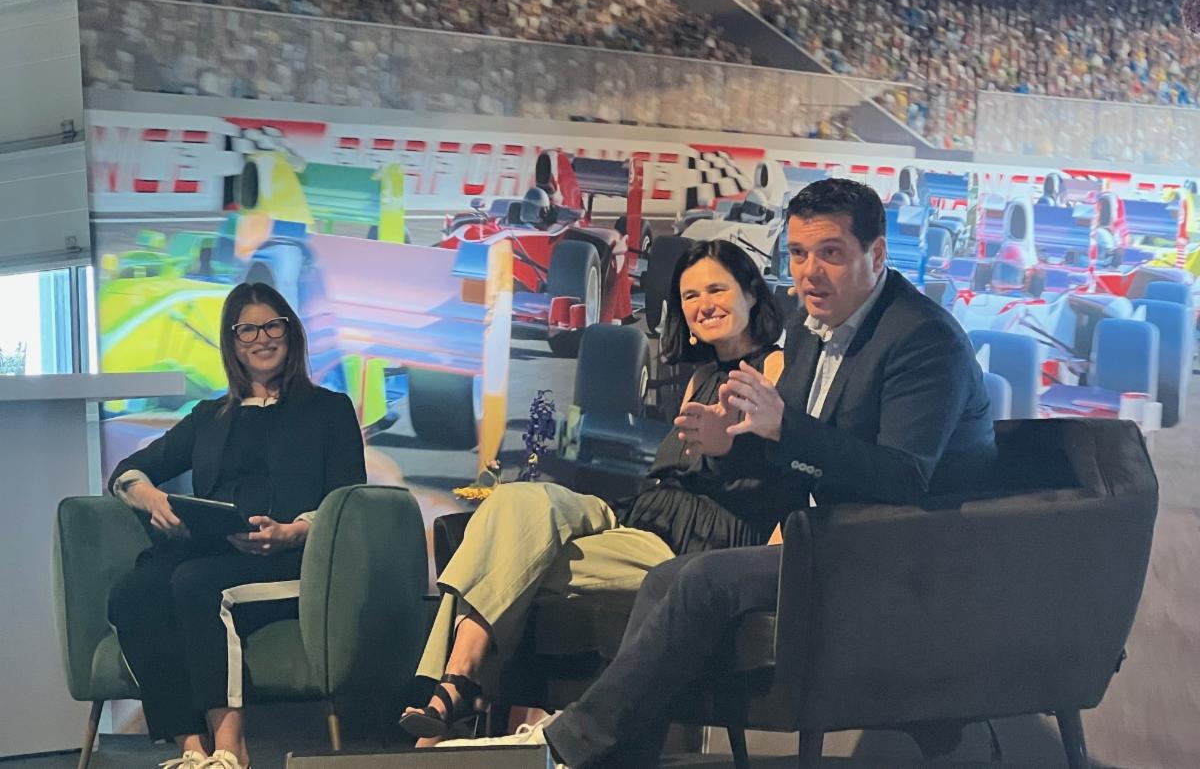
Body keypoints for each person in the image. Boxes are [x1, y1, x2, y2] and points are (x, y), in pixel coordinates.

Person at [442, 178, 999, 767]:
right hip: (828, 536)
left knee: (702, 579)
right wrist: (738, 451)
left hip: (906, 552)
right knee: (672, 578)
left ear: (877, 254)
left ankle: (566, 747)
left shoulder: (922, 339)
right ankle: (611, 755)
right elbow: (797, 454)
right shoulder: (815, 331)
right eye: (799, 254)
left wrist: (785, 433)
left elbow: (904, 478)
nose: (809, 273)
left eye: (831, 253)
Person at [400, 240, 796, 743]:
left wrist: (729, 447)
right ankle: (461, 683)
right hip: (640, 516)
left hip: (696, 545)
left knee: (508, 562)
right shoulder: (699, 377)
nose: (704, 304)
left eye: (717, 289)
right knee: (515, 501)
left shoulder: (778, 369)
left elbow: (783, 473)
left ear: (752, 295)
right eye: (690, 295)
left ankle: (452, 697)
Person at [106, 283, 366, 769]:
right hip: (215, 550)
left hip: (293, 559)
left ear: (290, 333)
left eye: (272, 326)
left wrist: (293, 531)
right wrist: (153, 498)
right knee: (134, 591)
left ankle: (232, 751)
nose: (261, 338)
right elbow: (127, 473)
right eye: (247, 330)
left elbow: (348, 499)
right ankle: (192, 749)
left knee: (197, 584)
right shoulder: (209, 416)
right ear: (232, 342)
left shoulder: (329, 410)